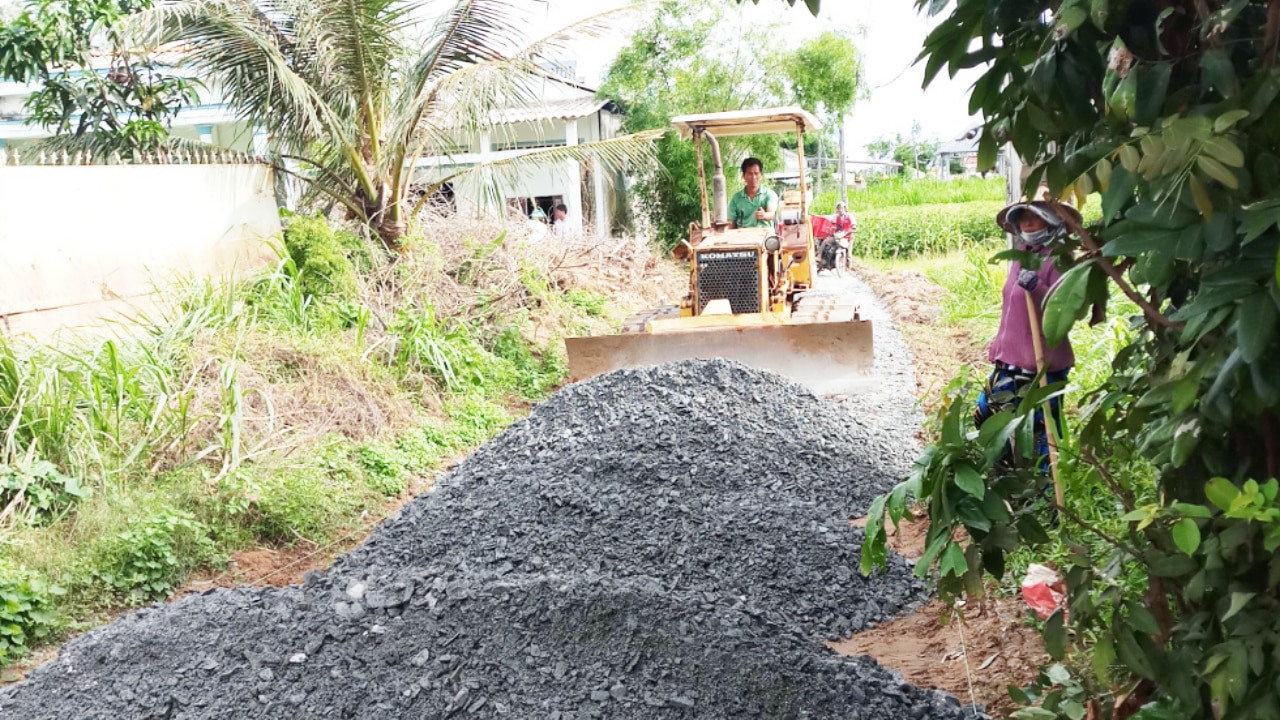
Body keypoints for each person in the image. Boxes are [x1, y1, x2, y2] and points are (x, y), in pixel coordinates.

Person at [974, 200, 1081, 472]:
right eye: (1022, 217)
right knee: (987, 414)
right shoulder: (1022, 254)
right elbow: (1011, 306)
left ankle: (1048, 496)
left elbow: (1066, 307)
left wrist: (1038, 287)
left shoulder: (1060, 258)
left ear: (1053, 220)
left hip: (1042, 363)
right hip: (1008, 361)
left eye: (1035, 216)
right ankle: (1008, 475)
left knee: (1043, 430)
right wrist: (999, 344)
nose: (1027, 223)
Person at [729, 157, 778, 229]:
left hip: (765, 236)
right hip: (742, 236)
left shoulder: (769, 194)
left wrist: (764, 215)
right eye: (750, 173)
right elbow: (731, 222)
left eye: (756, 173)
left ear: (761, 175)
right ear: (743, 176)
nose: (753, 177)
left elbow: (771, 214)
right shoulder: (736, 198)